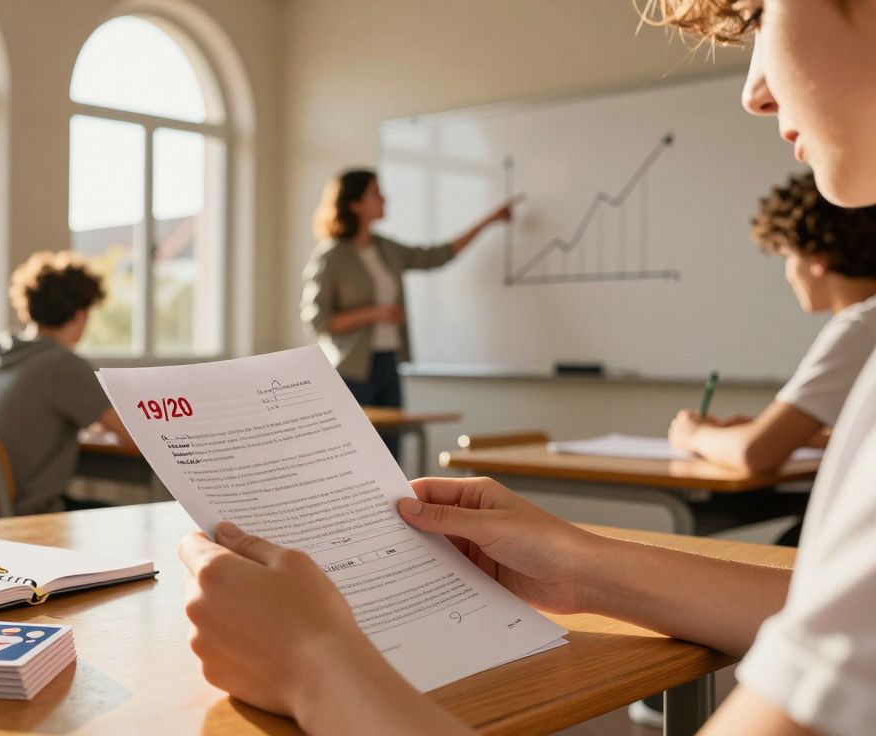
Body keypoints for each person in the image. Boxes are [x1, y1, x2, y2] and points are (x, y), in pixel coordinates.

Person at [181, 1, 876, 734]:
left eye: (761, 11)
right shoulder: (336, 258)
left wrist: (316, 666)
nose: (754, 89)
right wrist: (581, 563)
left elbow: (437, 255)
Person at [669, 172, 876, 476]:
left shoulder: (860, 327)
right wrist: (796, 434)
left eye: (787, 257)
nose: (788, 274)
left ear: (819, 259)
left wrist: (694, 436)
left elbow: (754, 453)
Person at [301, 170, 519, 457]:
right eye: (376, 193)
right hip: (351, 371)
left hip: (388, 363)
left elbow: (437, 255)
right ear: (354, 203)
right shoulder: (332, 255)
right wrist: (375, 313)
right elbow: (318, 320)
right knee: (354, 455)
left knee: (390, 456)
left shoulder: (385, 248)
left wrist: (488, 221)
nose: (384, 199)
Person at [0, 250, 136, 516]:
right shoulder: (62, 364)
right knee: (127, 518)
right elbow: (134, 437)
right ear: (81, 314)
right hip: (21, 520)